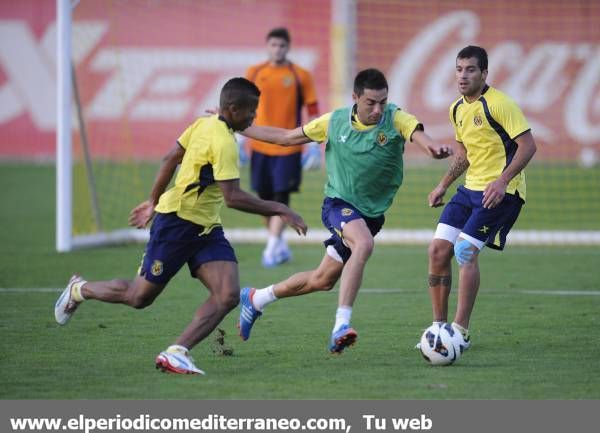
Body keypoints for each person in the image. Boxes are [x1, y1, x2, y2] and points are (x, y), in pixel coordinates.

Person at [54, 78, 307, 375]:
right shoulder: (223, 141)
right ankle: (79, 290)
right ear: (233, 109)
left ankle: (177, 352)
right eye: (251, 112)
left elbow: (170, 157)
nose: (254, 118)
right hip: (176, 224)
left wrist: (152, 200)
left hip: (205, 228)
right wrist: (281, 208)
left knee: (227, 294)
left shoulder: (204, 123)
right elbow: (233, 197)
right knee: (140, 297)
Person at [237, 68, 453, 353]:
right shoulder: (334, 121)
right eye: (371, 103)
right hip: (338, 205)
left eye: (383, 102)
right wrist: (237, 126)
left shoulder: (396, 118)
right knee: (363, 244)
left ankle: (256, 299)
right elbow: (286, 138)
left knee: (322, 280)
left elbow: (420, 136)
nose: (378, 109)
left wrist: (434, 149)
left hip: (371, 216)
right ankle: (341, 324)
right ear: (355, 98)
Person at [422, 45, 537, 354]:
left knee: (464, 251)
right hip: (468, 190)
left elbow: (528, 146)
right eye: (459, 69)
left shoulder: (500, 104)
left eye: (470, 69)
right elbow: (463, 154)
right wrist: (443, 184)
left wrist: (502, 181)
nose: (463, 75)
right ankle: (438, 328)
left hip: (501, 192)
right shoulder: (457, 108)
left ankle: (459, 332)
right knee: (437, 250)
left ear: (484, 73)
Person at [246, 27, 320, 268]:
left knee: (281, 197)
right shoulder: (254, 72)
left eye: (281, 45)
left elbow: (312, 110)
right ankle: (279, 244)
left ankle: (270, 249)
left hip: (289, 146)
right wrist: (238, 140)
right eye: (273, 45)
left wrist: (314, 145)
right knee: (264, 200)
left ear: (288, 47)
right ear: (267, 46)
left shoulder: (300, 75)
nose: (277, 49)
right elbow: (242, 107)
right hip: (259, 146)